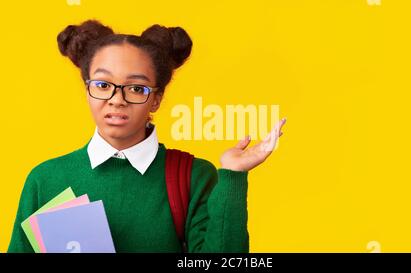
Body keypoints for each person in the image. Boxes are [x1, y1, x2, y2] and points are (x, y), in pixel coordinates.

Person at [8, 20, 286, 253]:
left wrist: (232, 175)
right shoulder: (45, 180)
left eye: (137, 88)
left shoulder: (193, 176)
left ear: (156, 99)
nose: (117, 99)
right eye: (103, 85)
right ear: (87, 89)